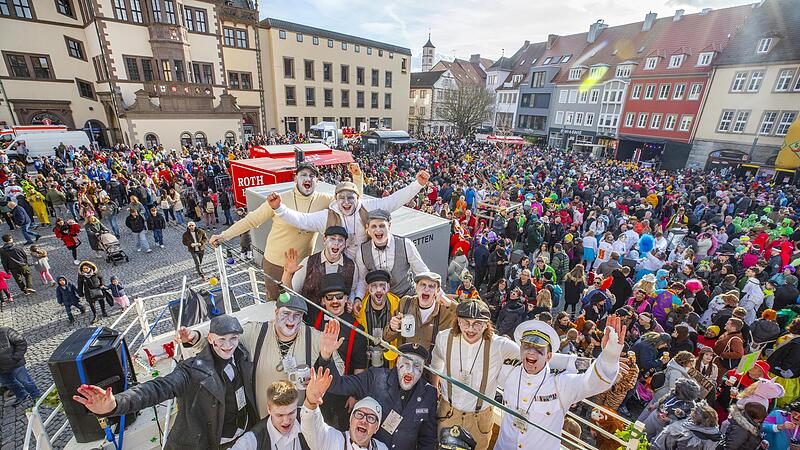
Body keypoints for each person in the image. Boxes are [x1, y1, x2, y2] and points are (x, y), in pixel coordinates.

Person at [73, 315, 258, 449]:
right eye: (222, 339)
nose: (228, 345)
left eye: (233, 338)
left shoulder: (241, 355)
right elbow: (158, 388)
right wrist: (115, 404)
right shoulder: (192, 370)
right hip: (213, 442)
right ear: (211, 339)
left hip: (243, 436)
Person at [211, 163, 363, 300]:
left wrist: (357, 177)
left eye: (312, 176)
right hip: (275, 264)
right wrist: (224, 236)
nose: (307, 178)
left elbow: (352, 202)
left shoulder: (324, 200)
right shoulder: (280, 199)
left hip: (303, 265)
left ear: (317, 181)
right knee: (276, 302)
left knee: (299, 302)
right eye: (303, 175)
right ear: (295, 178)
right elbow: (252, 220)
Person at [179, 294, 344, 419]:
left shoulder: (315, 337)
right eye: (286, 313)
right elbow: (222, 339)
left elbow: (339, 370)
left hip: (300, 419)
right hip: (263, 417)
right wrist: (193, 337)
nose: (291, 320)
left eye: (297, 315)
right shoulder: (256, 332)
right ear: (276, 312)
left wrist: (324, 361)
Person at [495, 317, 624, 450]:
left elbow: (593, 383)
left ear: (549, 356)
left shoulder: (561, 383)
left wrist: (610, 356)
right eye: (526, 346)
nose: (531, 352)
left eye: (539, 349)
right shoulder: (508, 371)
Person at [267, 171, 429, 258]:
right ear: (335, 199)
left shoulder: (367, 208)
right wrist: (279, 208)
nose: (346, 202)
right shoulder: (327, 216)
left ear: (357, 198)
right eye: (341, 198)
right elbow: (302, 220)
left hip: (368, 260)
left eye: (350, 198)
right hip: (341, 263)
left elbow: (393, 201)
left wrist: (416, 185)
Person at [315, 335, 438, 450]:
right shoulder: (375, 378)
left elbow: (427, 439)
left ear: (423, 369)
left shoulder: (429, 394)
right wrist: (326, 356)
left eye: (417, 366)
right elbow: (338, 384)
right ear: (397, 362)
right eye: (406, 363)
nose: (410, 371)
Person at [431, 299, 520, 450]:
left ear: (486, 324)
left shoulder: (499, 345)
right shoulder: (444, 338)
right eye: (466, 322)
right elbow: (436, 364)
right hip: (448, 413)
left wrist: (570, 362)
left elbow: (527, 356)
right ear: (458, 321)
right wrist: (434, 390)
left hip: (480, 420)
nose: (471, 329)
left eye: (477, 323)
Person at [310, 273, 368, 430]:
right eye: (329, 297)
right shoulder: (313, 316)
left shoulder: (358, 330)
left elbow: (359, 368)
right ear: (322, 301)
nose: (334, 301)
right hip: (314, 389)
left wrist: (355, 395)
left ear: (346, 298)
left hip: (342, 392)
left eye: (339, 296)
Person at [300, 367, 389, 450]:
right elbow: (312, 429)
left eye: (371, 418)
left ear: (376, 428)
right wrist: (311, 402)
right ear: (350, 420)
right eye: (359, 414)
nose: (364, 421)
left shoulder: (382, 448)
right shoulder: (333, 440)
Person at [354, 209, 430, 302]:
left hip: (407, 298)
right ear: (367, 228)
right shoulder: (362, 251)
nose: (378, 230)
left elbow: (422, 272)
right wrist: (358, 298)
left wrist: (436, 293)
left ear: (389, 226)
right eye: (374, 226)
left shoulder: (406, 244)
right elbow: (362, 280)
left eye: (382, 226)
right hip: (380, 302)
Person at [281, 226, 355, 315]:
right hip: (308, 317)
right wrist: (288, 273)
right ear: (324, 240)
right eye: (332, 239)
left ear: (344, 244)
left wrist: (351, 302)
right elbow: (291, 293)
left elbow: (352, 291)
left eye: (340, 240)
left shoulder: (352, 266)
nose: (336, 243)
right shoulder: (308, 262)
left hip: (338, 319)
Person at [384, 272, 456, 360]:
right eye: (423, 285)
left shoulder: (445, 310)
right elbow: (387, 338)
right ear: (416, 287)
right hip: (405, 363)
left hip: (430, 367)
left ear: (437, 290)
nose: (426, 289)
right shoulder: (405, 302)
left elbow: (470, 316)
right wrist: (392, 328)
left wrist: (448, 303)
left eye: (431, 286)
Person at [230, 380, 310, 450]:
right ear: (269, 409)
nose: (286, 421)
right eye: (280, 415)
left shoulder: (308, 419)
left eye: (291, 413)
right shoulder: (254, 438)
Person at [0, 326, 42, 407]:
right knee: (9, 383)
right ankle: (22, 395)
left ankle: (36, 397)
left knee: (26, 381)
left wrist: (16, 357)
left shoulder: (6, 331)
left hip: (15, 364)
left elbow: (21, 342)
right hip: (1, 370)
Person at [651, 402, 721, 450]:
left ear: (700, 419)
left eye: (695, 411)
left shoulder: (693, 441)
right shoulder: (699, 425)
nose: (692, 410)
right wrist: (681, 416)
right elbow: (685, 426)